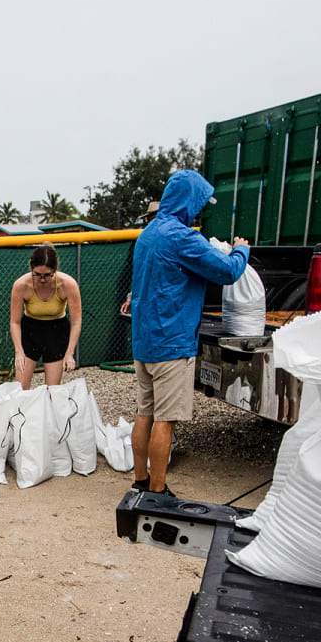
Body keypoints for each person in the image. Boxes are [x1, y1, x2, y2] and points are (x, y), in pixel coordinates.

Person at [130, 170, 251, 497]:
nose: (199, 210)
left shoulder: (148, 234)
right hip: (172, 343)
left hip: (144, 341)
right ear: (189, 202)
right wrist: (240, 250)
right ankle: (157, 492)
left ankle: (140, 481)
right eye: (198, 203)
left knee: (145, 413)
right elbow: (227, 271)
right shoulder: (182, 237)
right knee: (165, 421)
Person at [8, 244, 82, 389]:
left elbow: (76, 322)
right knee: (20, 387)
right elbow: (14, 322)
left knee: (52, 390)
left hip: (56, 331)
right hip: (30, 330)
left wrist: (69, 352)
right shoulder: (21, 285)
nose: (42, 280)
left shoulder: (68, 284)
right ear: (31, 269)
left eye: (47, 275)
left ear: (55, 270)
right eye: (38, 275)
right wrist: (19, 351)